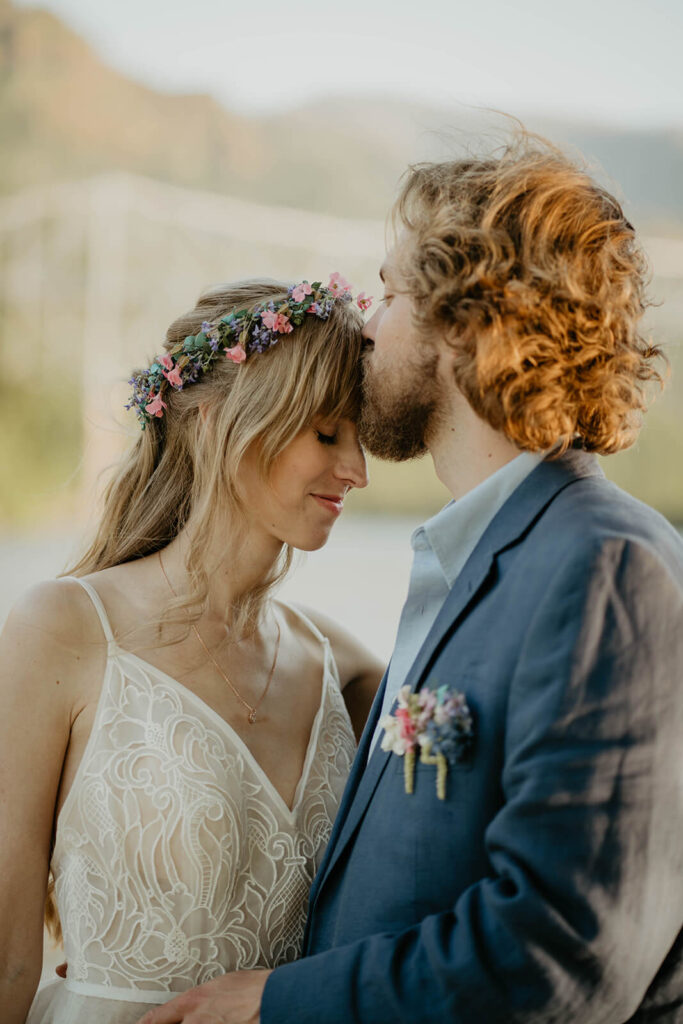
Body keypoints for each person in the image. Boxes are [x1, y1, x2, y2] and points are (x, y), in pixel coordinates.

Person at [138, 136, 683, 1024]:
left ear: (465, 320)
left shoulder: (605, 569)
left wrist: (274, 1004)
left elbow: (564, 951)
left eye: (389, 293)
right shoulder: (482, 557)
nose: (365, 324)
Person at [0, 275, 384, 1024]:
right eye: (327, 433)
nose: (358, 471)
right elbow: (10, 945)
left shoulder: (343, 664)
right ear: (213, 422)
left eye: (361, 436)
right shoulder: (64, 629)